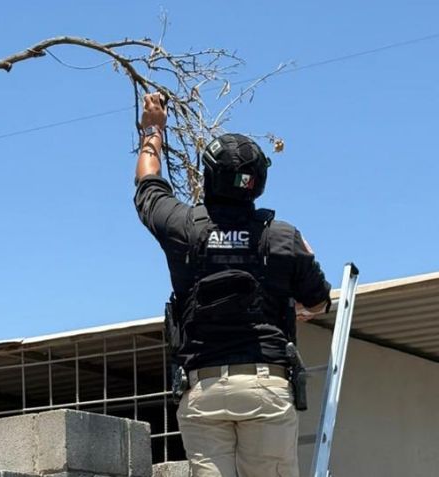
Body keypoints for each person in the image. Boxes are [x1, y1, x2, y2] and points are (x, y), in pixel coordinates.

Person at [133, 92, 331, 477]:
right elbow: (320, 303)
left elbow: (147, 185)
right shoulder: (283, 238)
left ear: (208, 176)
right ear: (258, 183)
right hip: (265, 387)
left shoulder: (182, 227)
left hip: (204, 392)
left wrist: (153, 129)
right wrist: (296, 309)